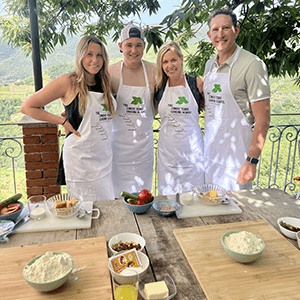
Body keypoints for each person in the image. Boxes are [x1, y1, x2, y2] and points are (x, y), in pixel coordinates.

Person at [21, 35, 116, 201]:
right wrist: (62, 121)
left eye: (99, 55)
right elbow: (28, 106)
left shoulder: (105, 82)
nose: (95, 60)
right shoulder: (69, 82)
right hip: (80, 160)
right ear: (80, 56)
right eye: (89, 54)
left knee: (107, 208)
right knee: (84, 211)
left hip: (104, 158)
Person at [203, 7, 271, 191]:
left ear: (236, 30)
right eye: (215, 30)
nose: (220, 34)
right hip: (210, 157)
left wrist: (251, 161)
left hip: (236, 161)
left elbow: (263, 120)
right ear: (209, 35)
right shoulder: (209, 64)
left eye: (226, 28)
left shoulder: (252, 65)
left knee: (236, 215)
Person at [108, 23, 156, 198]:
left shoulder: (154, 71)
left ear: (144, 46)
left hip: (144, 149)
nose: (134, 50)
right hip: (117, 150)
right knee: (117, 197)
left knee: (142, 197)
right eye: (129, 45)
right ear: (120, 46)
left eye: (138, 45)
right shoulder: (110, 72)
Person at [154, 41, 205, 195]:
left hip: (193, 156)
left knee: (194, 201)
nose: (170, 65)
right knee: (168, 202)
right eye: (165, 62)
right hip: (167, 156)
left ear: (181, 59)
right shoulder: (159, 88)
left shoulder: (197, 84)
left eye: (173, 60)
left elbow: (211, 113)